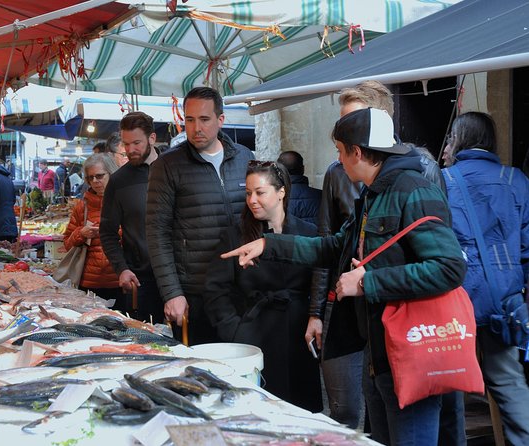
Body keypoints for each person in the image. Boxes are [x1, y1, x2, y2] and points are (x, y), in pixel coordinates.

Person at [223, 108, 467, 446]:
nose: (337, 159)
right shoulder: (374, 193)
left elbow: (449, 268)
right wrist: (269, 243)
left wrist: (368, 282)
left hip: (412, 354)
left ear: (356, 151)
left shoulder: (413, 190)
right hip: (378, 354)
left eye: (340, 151)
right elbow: (336, 246)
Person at [204, 160, 322, 411]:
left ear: (281, 192)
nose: (252, 200)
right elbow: (216, 289)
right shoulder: (235, 235)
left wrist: (316, 316)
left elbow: (320, 280)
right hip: (254, 335)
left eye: (260, 192)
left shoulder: (309, 233)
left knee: (300, 413)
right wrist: (235, 332)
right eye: (248, 193)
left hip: (299, 335)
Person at [442, 112, 529, 446]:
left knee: (448, 386)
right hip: (505, 301)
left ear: (459, 138)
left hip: (455, 300)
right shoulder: (516, 179)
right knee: (509, 384)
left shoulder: (444, 181)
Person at [146, 87, 254, 345]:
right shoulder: (167, 165)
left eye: (204, 119)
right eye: (190, 120)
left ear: (221, 120)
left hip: (243, 289)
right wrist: (172, 293)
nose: (196, 128)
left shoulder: (245, 157)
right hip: (196, 292)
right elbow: (156, 232)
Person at [100, 112, 164, 323]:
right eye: (126, 144)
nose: (130, 150)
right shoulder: (119, 180)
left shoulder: (173, 170)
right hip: (140, 281)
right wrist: (122, 268)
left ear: (152, 139)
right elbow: (107, 232)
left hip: (180, 278)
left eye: (136, 143)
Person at [63, 154, 122, 302]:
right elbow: (67, 244)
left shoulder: (125, 202)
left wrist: (112, 233)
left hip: (120, 280)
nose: (95, 181)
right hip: (88, 283)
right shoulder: (82, 206)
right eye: (90, 178)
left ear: (111, 173)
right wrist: (81, 233)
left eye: (100, 176)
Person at [277, 150, 322, 225]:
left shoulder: (276, 198)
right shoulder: (322, 196)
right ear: (303, 169)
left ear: (279, 171)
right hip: (317, 236)